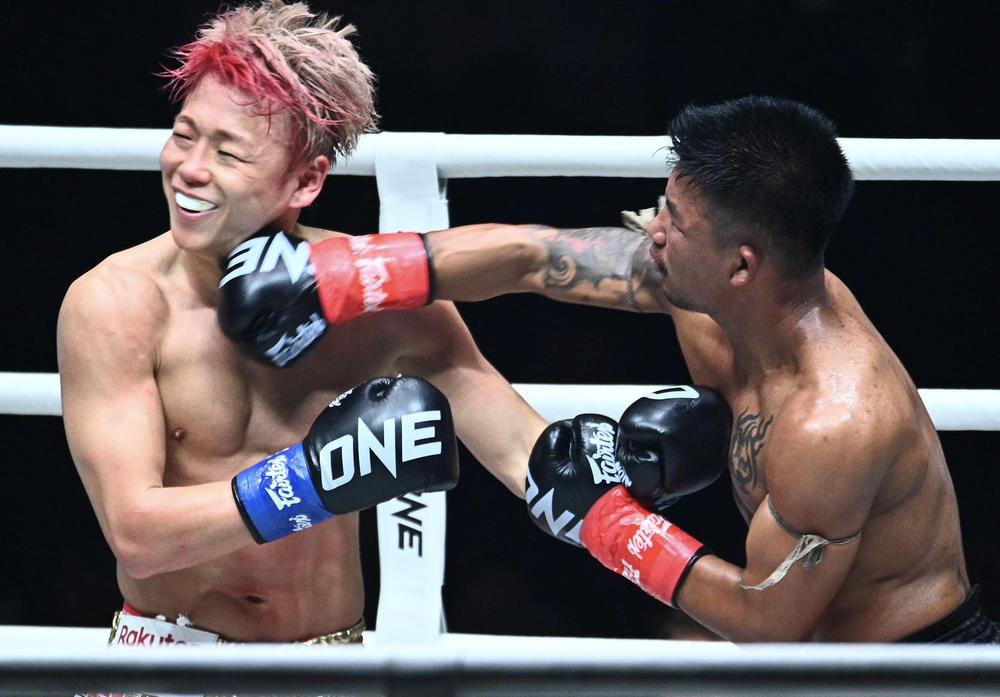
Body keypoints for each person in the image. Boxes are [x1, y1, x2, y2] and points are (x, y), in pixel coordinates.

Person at [243, 95, 995, 643]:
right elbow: (534, 256)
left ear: (742, 264)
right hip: (821, 656)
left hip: (914, 667)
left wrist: (608, 521)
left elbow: (770, 620)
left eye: (674, 221)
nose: (652, 230)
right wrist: (342, 275)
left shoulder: (834, 421)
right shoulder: (718, 294)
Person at [56, 0, 545, 646]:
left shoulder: (377, 301)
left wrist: (619, 492)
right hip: (173, 658)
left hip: (330, 657)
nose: (190, 168)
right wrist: (318, 478)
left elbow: (523, 453)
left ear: (305, 182)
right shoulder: (116, 304)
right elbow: (137, 535)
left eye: (228, 152)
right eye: (183, 134)